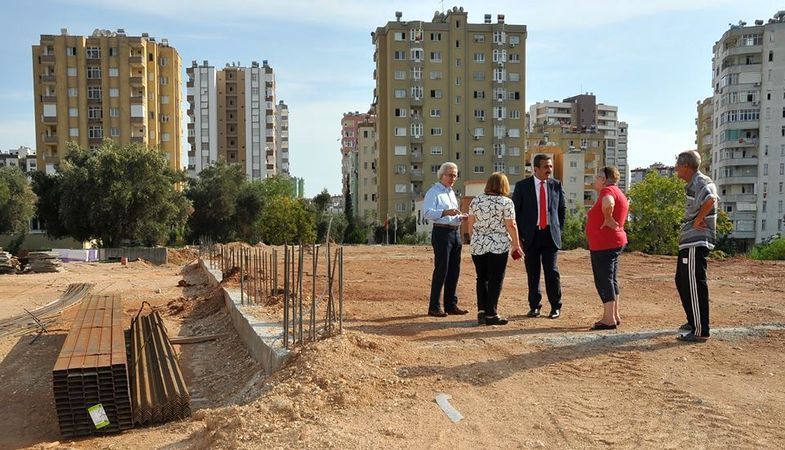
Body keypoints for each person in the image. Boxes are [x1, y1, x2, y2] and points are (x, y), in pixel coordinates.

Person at [512, 154, 566, 319]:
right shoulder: (522, 186)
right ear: (535, 169)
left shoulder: (556, 185)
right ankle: (534, 306)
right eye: (545, 167)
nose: (549, 170)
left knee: (552, 271)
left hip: (550, 235)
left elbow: (561, 210)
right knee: (533, 272)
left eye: (550, 166)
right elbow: (515, 213)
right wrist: (519, 237)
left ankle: (555, 307)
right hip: (531, 236)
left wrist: (558, 230)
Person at [467, 172, 523, 326]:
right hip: (498, 244)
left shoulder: (476, 200)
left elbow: (470, 223)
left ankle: (482, 312)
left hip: (478, 244)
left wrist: (474, 239)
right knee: (495, 279)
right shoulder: (506, 202)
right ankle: (492, 314)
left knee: (481, 277)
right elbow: (511, 225)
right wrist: (516, 245)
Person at [674, 150, 718, 342]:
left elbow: (711, 199)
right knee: (681, 280)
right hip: (689, 240)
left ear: (685, 166)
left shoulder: (700, 181)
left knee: (693, 282)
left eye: (677, 165)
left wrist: (698, 220)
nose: (675, 168)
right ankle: (693, 321)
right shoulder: (693, 183)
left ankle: (701, 330)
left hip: (696, 240)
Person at [422, 162, 469, 317]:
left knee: (454, 270)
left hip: (455, 233)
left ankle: (450, 304)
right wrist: (445, 212)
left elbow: (452, 214)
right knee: (441, 270)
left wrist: (460, 217)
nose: (452, 178)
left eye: (455, 175)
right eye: (450, 175)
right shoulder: (433, 192)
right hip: (441, 233)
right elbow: (427, 213)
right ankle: (434, 306)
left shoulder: (451, 193)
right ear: (441, 175)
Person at [586, 166, 629, 330]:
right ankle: (614, 315)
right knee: (611, 279)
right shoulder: (619, 192)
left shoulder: (607, 191)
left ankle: (608, 318)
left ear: (604, 179)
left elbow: (608, 202)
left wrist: (608, 217)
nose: (595, 179)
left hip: (605, 244)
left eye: (597, 176)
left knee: (604, 279)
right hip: (613, 242)